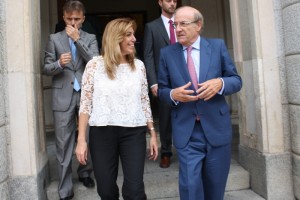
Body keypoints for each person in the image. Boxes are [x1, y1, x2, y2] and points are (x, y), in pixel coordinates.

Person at [158, 6, 242, 200]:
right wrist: (173, 94)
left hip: (216, 128)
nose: (177, 29)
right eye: (175, 24)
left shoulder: (217, 46)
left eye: (183, 24)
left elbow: (236, 80)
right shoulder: (167, 54)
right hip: (187, 131)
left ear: (198, 25)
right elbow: (162, 90)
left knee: (215, 187)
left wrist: (220, 83)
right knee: (190, 187)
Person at [75, 18, 159, 200]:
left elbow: (144, 101)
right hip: (102, 133)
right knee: (105, 190)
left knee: (135, 191)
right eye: (128, 35)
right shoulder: (94, 66)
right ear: (115, 38)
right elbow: (85, 105)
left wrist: (152, 133)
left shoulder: (139, 66)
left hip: (134, 133)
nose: (134, 39)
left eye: (133, 34)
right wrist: (81, 140)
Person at [43, 1, 99, 199]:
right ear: (63, 18)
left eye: (77, 19)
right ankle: (64, 188)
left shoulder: (90, 38)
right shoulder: (54, 39)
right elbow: (46, 68)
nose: (73, 23)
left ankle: (85, 172)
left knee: (88, 137)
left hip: (85, 94)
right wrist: (58, 63)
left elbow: (95, 62)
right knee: (62, 142)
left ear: (83, 18)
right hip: (62, 95)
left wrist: (77, 41)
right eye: (69, 19)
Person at [143, 0, 177, 168]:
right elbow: (148, 56)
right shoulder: (152, 27)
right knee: (165, 118)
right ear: (160, 2)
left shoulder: (183, 23)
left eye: (175, 0)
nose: (172, 3)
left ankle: (188, 149)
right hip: (163, 80)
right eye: (168, 0)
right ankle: (166, 152)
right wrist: (153, 82)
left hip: (184, 78)